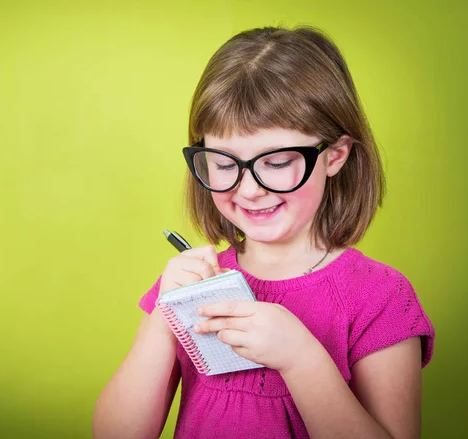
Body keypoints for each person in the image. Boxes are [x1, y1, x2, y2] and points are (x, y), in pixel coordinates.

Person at [93, 25, 435, 439]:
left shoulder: (380, 296)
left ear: (335, 156)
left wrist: (300, 358)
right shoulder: (193, 284)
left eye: (275, 162)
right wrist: (165, 317)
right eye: (223, 162)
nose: (250, 189)